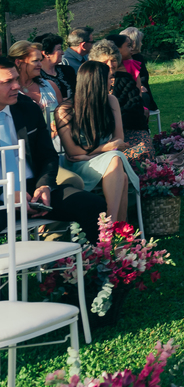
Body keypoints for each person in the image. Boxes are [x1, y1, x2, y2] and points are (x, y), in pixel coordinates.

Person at [0, 56, 106, 244]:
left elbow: (48, 155)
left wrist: (44, 186)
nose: (17, 86)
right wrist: (6, 194)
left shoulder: (27, 109)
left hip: (34, 190)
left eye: (16, 79)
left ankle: (98, 265)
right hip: (2, 198)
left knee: (93, 205)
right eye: (8, 82)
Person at [55, 61, 138, 223]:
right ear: (96, 82)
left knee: (116, 161)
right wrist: (107, 147)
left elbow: (119, 139)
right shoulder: (65, 110)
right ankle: (114, 229)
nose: (112, 82)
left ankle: (109, 229)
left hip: (98, 159)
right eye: (108, 78)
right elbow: (72, 152)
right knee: (116, 161)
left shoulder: (111, 101)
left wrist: (89, 153)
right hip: (78, 166)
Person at [87, 40, 152, 163]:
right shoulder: (89, 82)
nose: (110, 65)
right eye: (105, 61)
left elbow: (135, 109)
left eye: (113, 60)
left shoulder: (125, 79)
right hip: (97, 136)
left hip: (127, 129)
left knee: (142, 152)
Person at [9, 40, 59, 119]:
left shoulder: (50, 86)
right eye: (35, 61)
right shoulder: (7, 91)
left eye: (40, 60)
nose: (40, 64)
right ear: (18, 62)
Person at [119, 26, 158, 113]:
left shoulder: (138, 58)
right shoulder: (120, 60)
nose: (141, 44)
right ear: (133, 43)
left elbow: (143, 78)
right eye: (140, 41)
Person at [37, 34, 76, 101]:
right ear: (46, 53)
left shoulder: (67, 70)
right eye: (59, 49)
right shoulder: (38, 76)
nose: (62, 53)